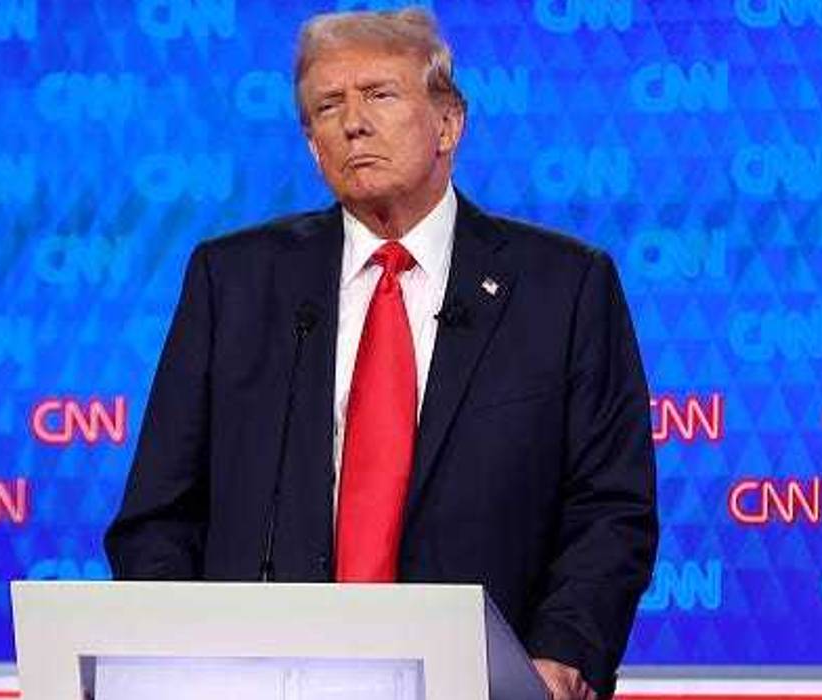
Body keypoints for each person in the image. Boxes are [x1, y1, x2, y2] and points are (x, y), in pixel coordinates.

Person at [105, 8, 658, 699]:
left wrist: (562, 653)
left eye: (379, 95)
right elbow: (158, 511)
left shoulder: (563, 287)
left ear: (448, 124)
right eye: (326, 106)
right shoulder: (234, 281)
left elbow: (610, 508)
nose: (352, 122)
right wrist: (178, 657)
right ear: (311, 146)